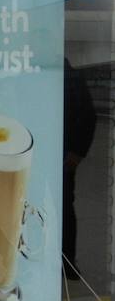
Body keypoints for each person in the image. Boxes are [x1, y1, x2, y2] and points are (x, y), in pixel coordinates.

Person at [63, 58, 96, 280]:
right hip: (51, 152)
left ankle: (67, 262)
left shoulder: (72, 78)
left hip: (64, 156)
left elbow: (88, 117)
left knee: (65, 206)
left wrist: (77, 152)